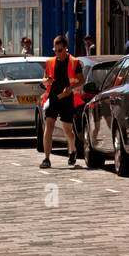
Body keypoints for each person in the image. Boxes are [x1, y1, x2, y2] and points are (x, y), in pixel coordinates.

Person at [39, 35, 83, 171]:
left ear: (65, 48)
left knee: (67, 130)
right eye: (55, 50)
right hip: (53, 98)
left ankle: (72, 151)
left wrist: (71, 88)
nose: (57, 53)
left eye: (59, 50)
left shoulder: (74, 62)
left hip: (67, 99)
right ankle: (47, 158)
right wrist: (47, 81)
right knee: (49, 126)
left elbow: (82, 81)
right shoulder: (50, 62)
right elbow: (44, 80)